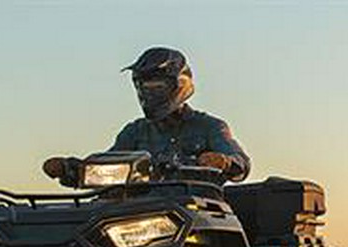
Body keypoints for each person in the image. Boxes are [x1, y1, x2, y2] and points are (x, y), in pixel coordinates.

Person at [44, 47, 250, 184]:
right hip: (142, 210)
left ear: (179, 84)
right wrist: (70, 169)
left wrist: (224, 162)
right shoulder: (134, 131)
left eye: (157, 86)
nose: (150, 93)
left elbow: (242, 164)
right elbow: (107, 164)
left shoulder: (210, 127)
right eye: (144, 87)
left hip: (198, 209)